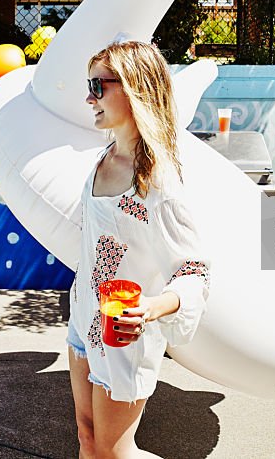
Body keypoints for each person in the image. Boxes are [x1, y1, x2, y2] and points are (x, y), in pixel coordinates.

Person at [68, 40, 210, 458]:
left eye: (98, 85)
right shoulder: (102, 158)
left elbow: (195, 271)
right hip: (84, 319)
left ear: (134, 88)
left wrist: (152, 307)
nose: (88, 97)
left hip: (126, 334)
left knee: (115, 451)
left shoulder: (160, 182)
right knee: (86, 437)